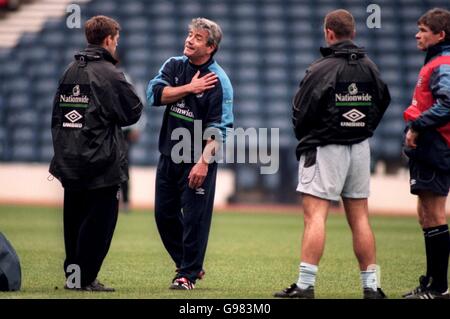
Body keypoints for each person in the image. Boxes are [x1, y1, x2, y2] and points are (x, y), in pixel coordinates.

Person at [274, 9, 391, 299]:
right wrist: (362, 130)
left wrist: (311, 136)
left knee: (315, 217)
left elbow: (300, 112)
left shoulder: (320, 68)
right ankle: (372, 287)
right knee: (360, 218)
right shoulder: (371, 67)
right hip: (360, 148)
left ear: (329, 33)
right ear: (352, 33)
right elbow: (383, 101)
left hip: (325, 148)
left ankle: (305, 285)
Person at [49, 15, 143, 291]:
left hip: (70, 158)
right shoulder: (110, 73)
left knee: (73, 222)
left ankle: (74, 278)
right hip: (101, 162)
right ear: (109, 40)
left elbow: (58, 116)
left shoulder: (70, 70)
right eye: (116, 40)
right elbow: (133, 111)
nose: (117, 45)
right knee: (100, 223)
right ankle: (87, 278)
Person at [147, 17, 233, 290]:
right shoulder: (174, 65)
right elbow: (154, 95)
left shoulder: (219, 82)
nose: (188, 40)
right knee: (164, 215)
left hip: (197, 161)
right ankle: (188, 262)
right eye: (189, 34)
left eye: (197, 37)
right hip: (168, 156)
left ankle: (186, 275)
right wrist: (189, 88)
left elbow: (219, 129)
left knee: (195, 219)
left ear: (210, 47)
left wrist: (203, 164)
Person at [402, 8, 450, 300]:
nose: (417, 35)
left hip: (436, 146)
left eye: (423, 30)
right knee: (426, 215)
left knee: (433, 215)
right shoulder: (435, 61)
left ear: (440, 35)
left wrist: (417, 127)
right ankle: (432, 282)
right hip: (430, 148)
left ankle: (437, 287)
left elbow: (447, 103)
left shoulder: (443, 64)